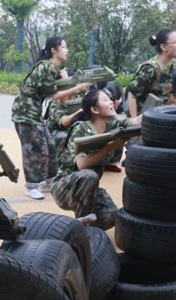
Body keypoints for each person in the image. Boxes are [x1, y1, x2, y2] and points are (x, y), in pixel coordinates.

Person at [11, 36, 91, 200]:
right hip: (25, 112)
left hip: (35, 112)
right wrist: (76, 87)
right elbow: (54, 95)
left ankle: (48, 180)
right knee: (33, 150)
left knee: (49, 147)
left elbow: (63, 101)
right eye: (63, 47)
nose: (67, 50)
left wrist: (65, 80)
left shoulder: (54, 69)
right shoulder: (46, 67)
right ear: (53, 50)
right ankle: (32, 186)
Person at [51, 89, 142, 230]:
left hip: (89, 186)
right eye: (105, 100)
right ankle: (82, 231)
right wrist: (110, 146)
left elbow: (135, 121)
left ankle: (88, 227)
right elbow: (82, 165)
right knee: (89, 175)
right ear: (95, 109)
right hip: (65, 187)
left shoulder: (111, 125)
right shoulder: (80, 128)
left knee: (111, 216)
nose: (111, 102)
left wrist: (160, 111)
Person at [126, 29, 176, 117]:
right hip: (143, 116)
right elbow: (132, 95)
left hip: (160, 115)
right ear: (163, 47)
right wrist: (134, 121)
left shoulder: (174, 65)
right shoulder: (149, 68)